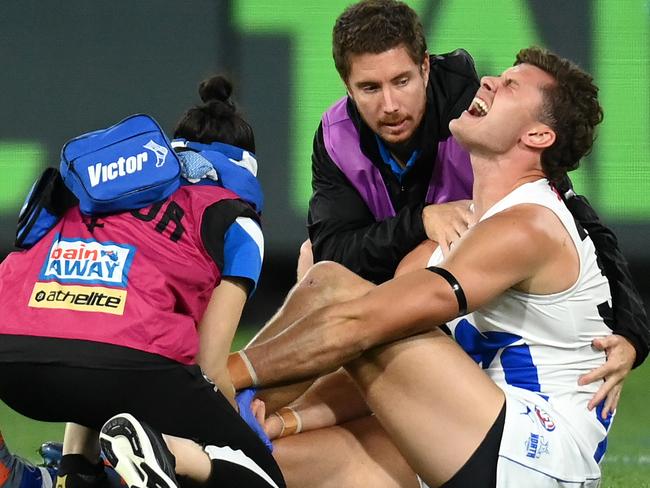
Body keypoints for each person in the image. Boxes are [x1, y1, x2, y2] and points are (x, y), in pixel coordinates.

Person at [229, 46, 622, 487]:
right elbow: (379, 366)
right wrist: (283, 422)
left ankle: (195, 404)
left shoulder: (530, 225)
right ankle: (175, 445)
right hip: (465, 443)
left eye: (510, 85)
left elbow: (359, 323)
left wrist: (222, 377)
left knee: (331, 285)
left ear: (537, 137)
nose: (489, 81)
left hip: (534, 458)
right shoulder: (448, 241)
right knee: (256, 462)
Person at [293, 0, 646, 412]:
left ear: (426, 67)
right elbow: (332, 253)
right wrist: (420, 220)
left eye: (402, 80)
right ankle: (273, 411)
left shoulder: (473, 109)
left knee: (416, 262)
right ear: (347, 85)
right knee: (312, 261)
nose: (389, 105)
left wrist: (634, 336)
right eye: (370, 88)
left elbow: (581, 221)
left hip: (470, 294)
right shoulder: (336, 136)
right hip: (393, 281)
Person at [0, 75, 285, 488]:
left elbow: (76, 313)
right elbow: (209, 363)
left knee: (93, 328)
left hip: (11, 361)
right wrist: (236, 429)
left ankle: (71, 475)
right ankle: (160, 450)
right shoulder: (234, 216)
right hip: (124, 368)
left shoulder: (103, 190)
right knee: (260, 477)